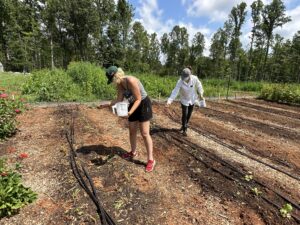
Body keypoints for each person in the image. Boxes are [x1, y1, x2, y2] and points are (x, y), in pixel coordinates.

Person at [105, 66, 155, 172]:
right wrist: (108, 104)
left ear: (116, 76)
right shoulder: (120, 85)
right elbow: (119, 99)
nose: (113, 82)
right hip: (133, 105)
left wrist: (129, 112)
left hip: (143, 104)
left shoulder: (130, 80)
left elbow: (138, 99)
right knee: (132, 131)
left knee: (145, 133)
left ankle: (151, 160)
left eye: (112, 80)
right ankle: (133, 152)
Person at [166, 67, 204, 136]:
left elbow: (199, 86)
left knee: (189, 114)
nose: (184, 79)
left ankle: (184, 125)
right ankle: (184, 129)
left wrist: (201, 93)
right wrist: (169, 101)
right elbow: (175, 91)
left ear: (190, 75)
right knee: (185, 114)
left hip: (192, 99)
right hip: (184, 99)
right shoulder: (180, 81)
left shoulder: (194, 78)